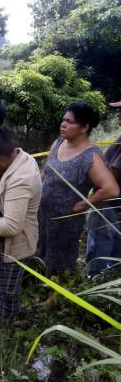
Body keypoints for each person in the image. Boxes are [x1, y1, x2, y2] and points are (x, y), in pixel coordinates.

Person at [39, 103, 119, 288]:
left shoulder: (90, 156)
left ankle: (58, 299)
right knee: (48, 251)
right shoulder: (58, 142)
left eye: (70, 122)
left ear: (84, 128)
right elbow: (46, 172)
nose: (63, 125)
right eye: (63, 120)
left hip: (66, 219)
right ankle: (47, 287)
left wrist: (83, 204)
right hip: (46, 213)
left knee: (63, 259)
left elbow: (111, 189)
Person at [0, 127, 42, 338]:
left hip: (14, 245)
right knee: (5, 285)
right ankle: (6, 311)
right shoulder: (18, 158)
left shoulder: (21, 178)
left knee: (8, 290)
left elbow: (11, 226)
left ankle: (5, 328)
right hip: (6, 242)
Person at [86, 100, 121, 277]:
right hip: (115, 202)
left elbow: (111, 176)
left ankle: (94, 277)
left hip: (109, 201)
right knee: (115, 239)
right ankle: (111, 275)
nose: (118, 113)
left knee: (101, 239)